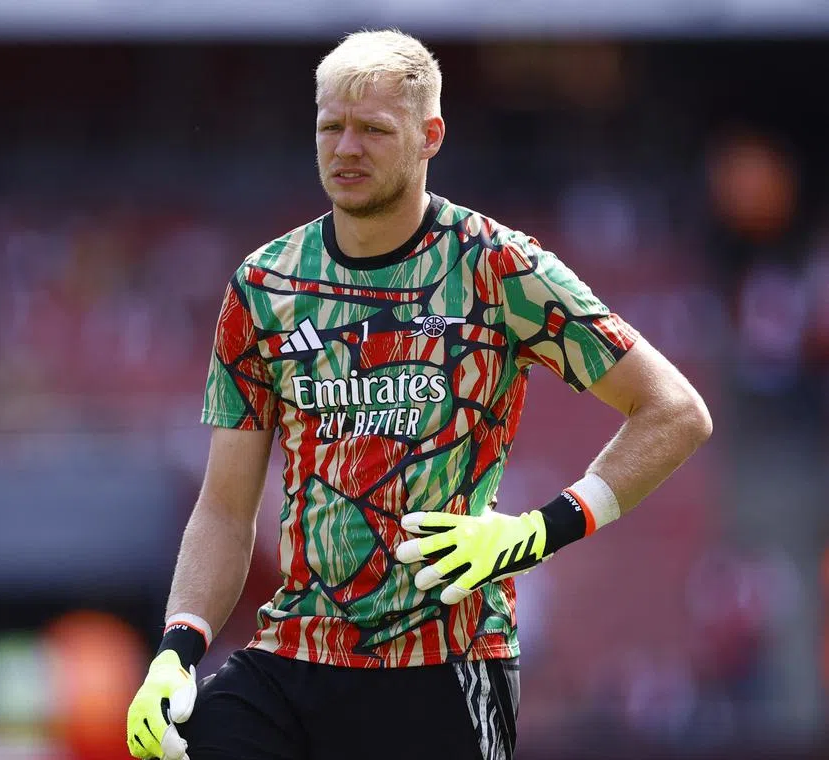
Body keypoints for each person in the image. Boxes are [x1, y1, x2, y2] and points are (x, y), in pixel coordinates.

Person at [127, 29, 712, 760]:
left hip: (447, 661)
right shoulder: (264, 285)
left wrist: (535, 531)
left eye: (373, 130)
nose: (346, 149)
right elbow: (223, 507)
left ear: (430, 136)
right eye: (330, 127)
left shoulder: (498, 266)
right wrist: (177, 649)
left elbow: (674, 411)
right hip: (293, 659)